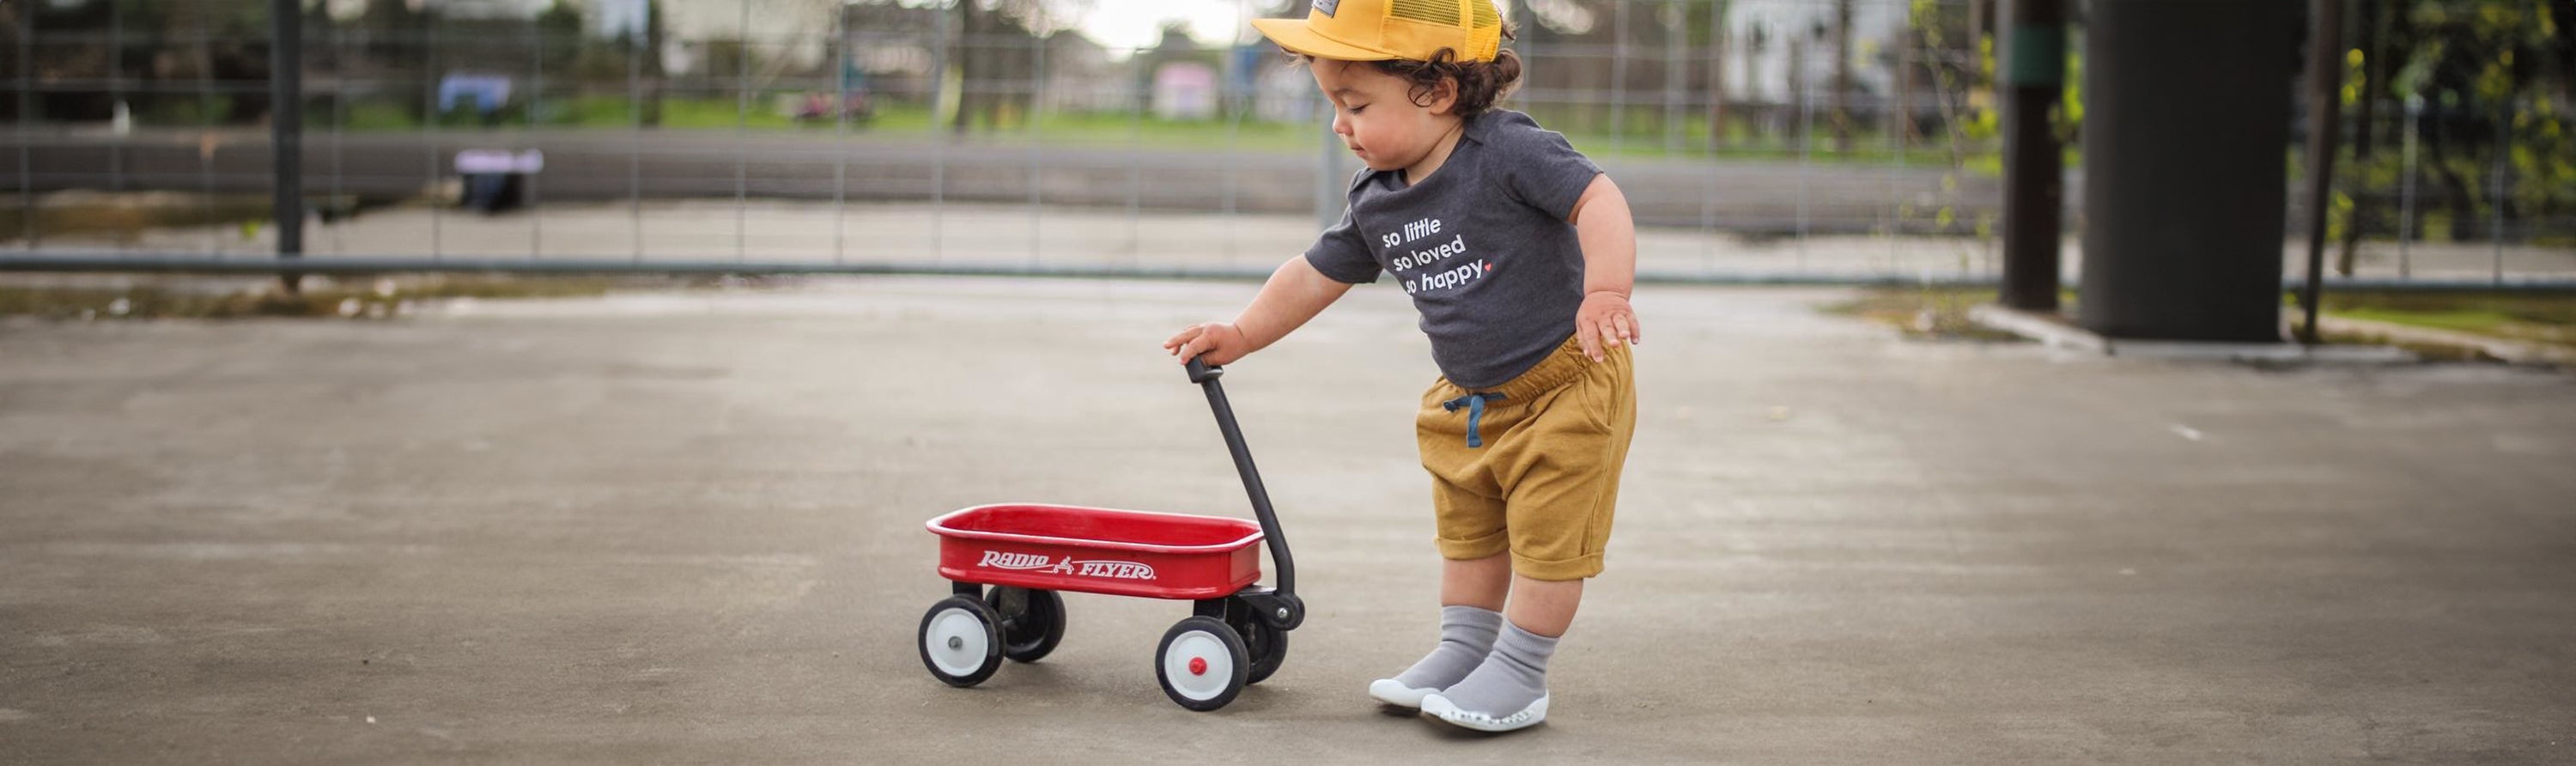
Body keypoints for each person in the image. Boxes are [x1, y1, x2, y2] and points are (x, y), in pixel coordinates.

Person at [1162, 0, 1640, 733]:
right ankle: (1464, 650)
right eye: (1333, 105)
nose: (1339, 125)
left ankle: (1519, 672)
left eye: (1355, 104)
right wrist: (1245, 332)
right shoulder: (1376, 196)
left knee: (1549, 542)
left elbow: (1596, 198)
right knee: (1469, 536)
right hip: (1470, 401)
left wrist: (1605, 289)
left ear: (1437, 91)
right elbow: (1315, 272)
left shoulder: (1507, 151)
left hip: (1566, 385)